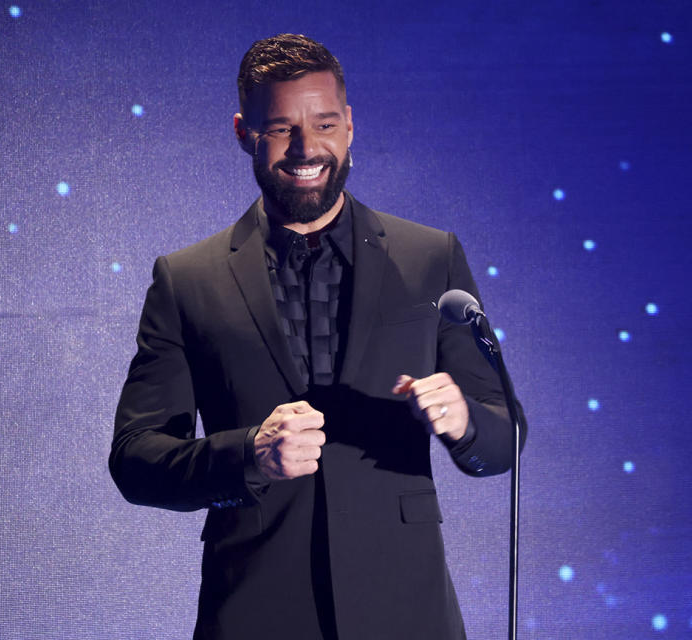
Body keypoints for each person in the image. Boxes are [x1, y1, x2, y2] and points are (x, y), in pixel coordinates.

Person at [110, 33, 526, 640]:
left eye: (325, 123)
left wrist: (465, 421)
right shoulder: (186, 279)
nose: (307, 147)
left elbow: (504, 436)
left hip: (407, 612)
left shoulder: (430, 257)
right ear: (242, 131)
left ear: (350, 126)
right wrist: (248, 453)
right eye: (281, 128)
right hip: (256, 610)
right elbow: (135, 459)